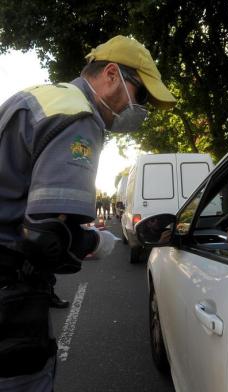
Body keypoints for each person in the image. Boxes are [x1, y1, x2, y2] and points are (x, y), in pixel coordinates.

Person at [0, 35, 175, 390]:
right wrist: (95, 241)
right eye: (140, 95)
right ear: (111, 74)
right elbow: (45, 239)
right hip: (10, 298)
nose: (140, 108)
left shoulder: (40, 98)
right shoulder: (80, 117)